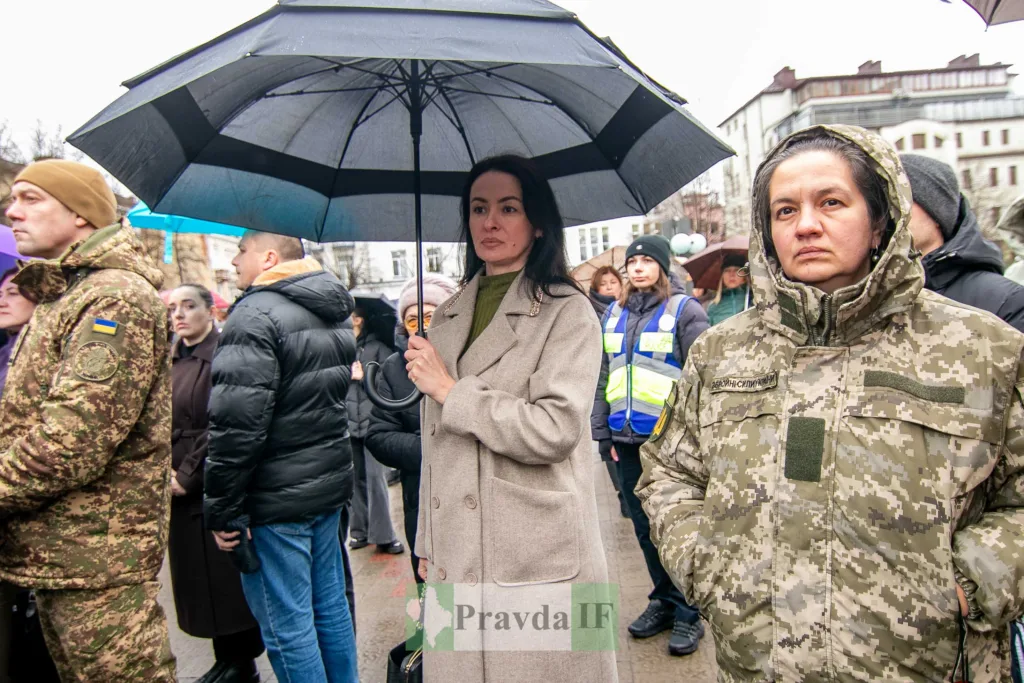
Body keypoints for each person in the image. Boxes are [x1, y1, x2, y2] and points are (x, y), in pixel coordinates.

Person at [639, 124, 1024, 681]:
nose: (807, 225)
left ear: (880, 221)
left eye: (832, 202)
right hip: (756, 664)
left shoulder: (982, 348)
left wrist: (968, 583)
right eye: (785, 211)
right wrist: (705, 563)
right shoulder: (721, 354)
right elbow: (670, 470)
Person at [406, 154, 617, 682]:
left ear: (538, 221)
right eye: (478, 208)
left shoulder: (568, 311)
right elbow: (436, 443)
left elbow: (555, 429)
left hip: (534, 551)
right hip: (455, 545)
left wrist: (452, 391)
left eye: (507, 207)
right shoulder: (449, 313)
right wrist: (426, 542)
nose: (489, 222)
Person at [0, 159, 176, 681]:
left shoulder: (112, 298)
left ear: (80, 214)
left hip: (96, 559)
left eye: (32, 199)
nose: (13, 211)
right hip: (63, 553)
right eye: (14, 199)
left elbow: (70, 441)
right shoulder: (67, 292)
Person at [204, 230, 358, 682]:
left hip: (274, 498)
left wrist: (224, 510)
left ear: (269, 257)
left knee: (288, 623)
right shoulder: (330, 309)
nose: (234, 261)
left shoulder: (254, 312)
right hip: (324, 486)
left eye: (241, 250)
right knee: (329, 606)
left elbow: (236, 424)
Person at [591, 234, 709, 657]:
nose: (638, 267)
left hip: (669, 445)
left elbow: (703, 381)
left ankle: (688, 611)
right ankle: (664, 598)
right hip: (626, 439)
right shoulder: (614, 313)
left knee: (674, 527)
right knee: (644, 530)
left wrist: (694, 440)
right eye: (632, 262)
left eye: (646, 261)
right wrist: (602, 432)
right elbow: (604, 375)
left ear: (662, 266)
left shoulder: (684, 310)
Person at [167, 284, 264, 683]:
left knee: (225, 582)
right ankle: (225, 659)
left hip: (209, 481)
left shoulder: (222, 357)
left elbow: (221, 422)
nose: (180, 314)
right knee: (198, 582)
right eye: (174, 308)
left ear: (211, 310)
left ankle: (240, 661)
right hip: (175, 485)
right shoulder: (171, 360)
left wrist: (187, 475)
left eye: (189, 306)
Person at [366, 273, 458, 584]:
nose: (421, 326)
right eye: (412, 319)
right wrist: (432, 448)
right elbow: (378, 435)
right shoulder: (394, 367)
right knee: (431, 590)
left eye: (431, 316)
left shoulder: (469, 359)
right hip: (420, 499)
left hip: (468, 494)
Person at [900, 153, 1024, 332]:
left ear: (936, 213)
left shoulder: (1006, 302)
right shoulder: (864, 296)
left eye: (902, 200)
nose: (890, 213)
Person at [346, 306, 403, 554]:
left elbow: (391, 378)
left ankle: (383, 535)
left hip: (372, 421)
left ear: (359, 320)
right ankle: (359, 532)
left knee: (374, 478)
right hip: (348, 422)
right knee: (354, 479)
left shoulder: (378, 347)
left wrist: (363, 378)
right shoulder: (343, 347)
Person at [0, 267, 36, 396]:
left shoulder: (48, 354)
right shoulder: (4, 353)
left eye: (13, 293)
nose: (1, 302)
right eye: (0, 295)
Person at [705, 254, 750, 326]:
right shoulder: (713, 307)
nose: (732, 274)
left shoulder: (755, 300)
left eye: (736, 270)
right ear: (722, 276)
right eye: (727, 270)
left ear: (744, 275)